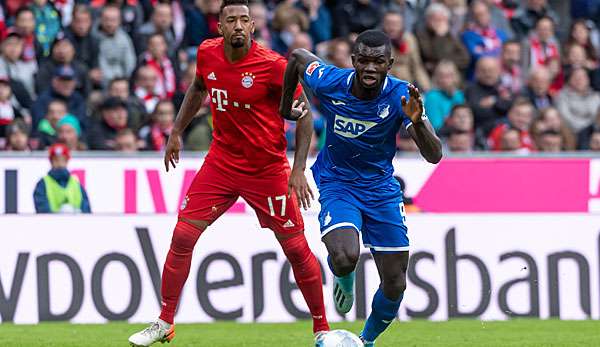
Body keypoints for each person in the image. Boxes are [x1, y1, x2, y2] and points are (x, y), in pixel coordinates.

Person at [127, 1, 330, 345]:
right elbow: (197, 88)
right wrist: (176, 131)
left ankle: (322, 329)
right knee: (183, 236)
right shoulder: (207, 53)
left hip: (266, 170)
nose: (238, 25)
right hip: (221, 163)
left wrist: (298, 171)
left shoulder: (273, 66)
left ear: (253, 26)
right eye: (231, 20)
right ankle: (164, 322)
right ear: (219, 27)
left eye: (244, 20)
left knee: (296, 248)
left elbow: (305, 116)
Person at [280, 30, 442, 346]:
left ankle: (364, 341)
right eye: (364, 60)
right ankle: (344, 275)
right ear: (353, 60)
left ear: (390, 64)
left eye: (378, 62)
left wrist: (418, 122)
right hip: (337, 181)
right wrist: (286, 106)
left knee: (395, 283)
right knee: (344, 256)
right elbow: (299, 57)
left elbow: (434, 155)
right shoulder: (329, 81)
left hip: (381, 188)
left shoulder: (401, 97)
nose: (370, 68)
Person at [33, 143, 91, 213]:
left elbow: (86, 208)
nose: (60, 163)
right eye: (56, 160)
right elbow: (42, 208)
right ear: (51, 162)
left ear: (67, 161)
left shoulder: (76, 183)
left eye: (63, 160)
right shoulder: (43, 184)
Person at [424, 61, 465, 130]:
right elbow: (436, 126)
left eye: (449, 76)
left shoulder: (459, 95)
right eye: (442, 76)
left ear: (456, 77)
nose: (445, 80)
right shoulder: (432, 97)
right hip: (442, 136)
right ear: (436, 78)